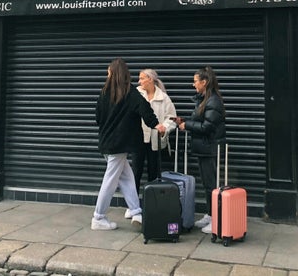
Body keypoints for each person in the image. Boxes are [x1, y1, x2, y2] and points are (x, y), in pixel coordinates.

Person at [92, 58, 167, 231]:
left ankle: (136, 211)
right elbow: (145, 109)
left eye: (108, 72)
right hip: (120, 145)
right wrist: (156, 124)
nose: (107, 75)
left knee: (126, 178)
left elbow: (97, 117)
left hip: (107, 142)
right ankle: (98, 216)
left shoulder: (104, 93)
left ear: (113, 73)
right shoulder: (130, 92)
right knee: (110, 180)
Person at [175, 65, 226, 234]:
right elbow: (201, 120)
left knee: (212, 184)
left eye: (195, 81)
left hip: (210, 148)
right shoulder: (204, 99)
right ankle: (210, 215)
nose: (193, 84)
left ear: (204, 82)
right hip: (203, 148)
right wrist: (183, 120)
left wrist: (186, 125)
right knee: (207, 184)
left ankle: (217, 218)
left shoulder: (213, 101)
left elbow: (207, 126)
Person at [126, 68, 176, 216]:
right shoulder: (135, 94)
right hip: (138, 138)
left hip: (155, 140)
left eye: (142, 78)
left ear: (151, 79)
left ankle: (151, 204)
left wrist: (164, 128)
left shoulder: (163, 97)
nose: (139, 81)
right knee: (135, 172)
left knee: (154, 173)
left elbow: (171, 118)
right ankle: (132, 206)